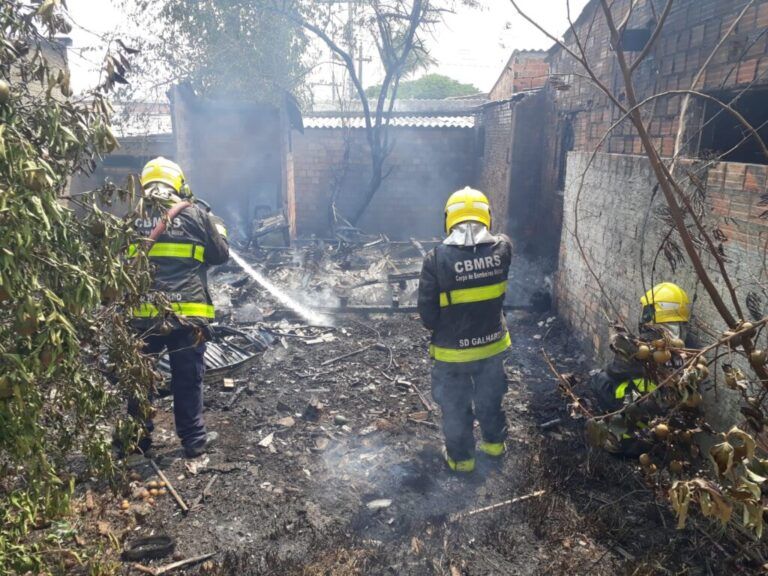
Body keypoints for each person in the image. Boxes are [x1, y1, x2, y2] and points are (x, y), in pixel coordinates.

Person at [127, 157, 229, 458]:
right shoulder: (196, 214)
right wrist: (218, 228)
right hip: (186, 317)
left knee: (139, 380)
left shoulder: (130, 218)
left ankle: (135, 442)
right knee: (188, 379)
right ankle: (194, 441)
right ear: (179, 184)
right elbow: (220, 255)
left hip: (142, 316)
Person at [417, 187, 513, 473]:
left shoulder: (435, 259)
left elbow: (427, 315)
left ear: (449, 218)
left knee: (456, 407)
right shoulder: (504, 249)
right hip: (492, 346)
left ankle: (462, 461)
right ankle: (495, 446)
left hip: (452, 353)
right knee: (491, 397)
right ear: (487, 216)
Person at [588, 282, 691, 455]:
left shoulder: (646, 344)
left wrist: (625, 345)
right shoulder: (686, 344)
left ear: (651, 312)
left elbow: (615, 370)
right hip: (672, 419)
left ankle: (621, 439)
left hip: (647, 412)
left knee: (601, 379)